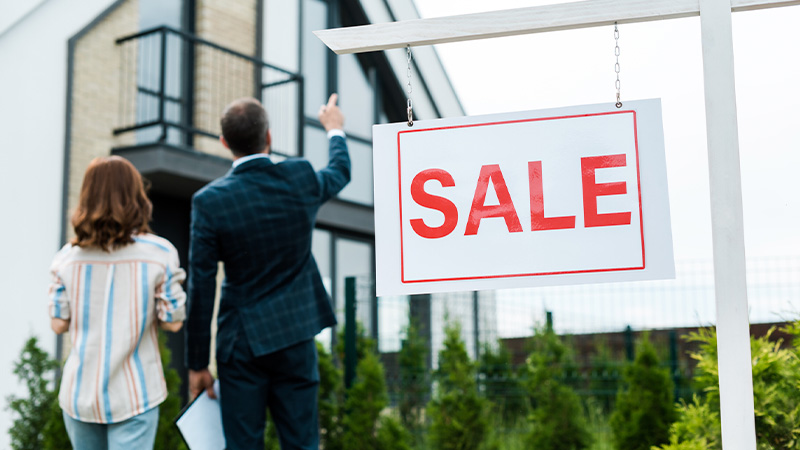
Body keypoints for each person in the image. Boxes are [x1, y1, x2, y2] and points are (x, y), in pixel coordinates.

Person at [185, 93, 349, 449]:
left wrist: (197, 363)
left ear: (225, 143)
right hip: (295, 336)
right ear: (269, 137)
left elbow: (201, 285)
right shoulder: (300, 177)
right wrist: (334, 129)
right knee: (303, 444)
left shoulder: (209, 201)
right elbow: (339, 172)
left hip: (240, 346)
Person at [48, 156, 186, 449]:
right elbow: (173, 321)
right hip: (136, 392)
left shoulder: (66, 258)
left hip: (80, 393)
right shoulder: (160, 253)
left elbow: (58, 324)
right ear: (136, 196)